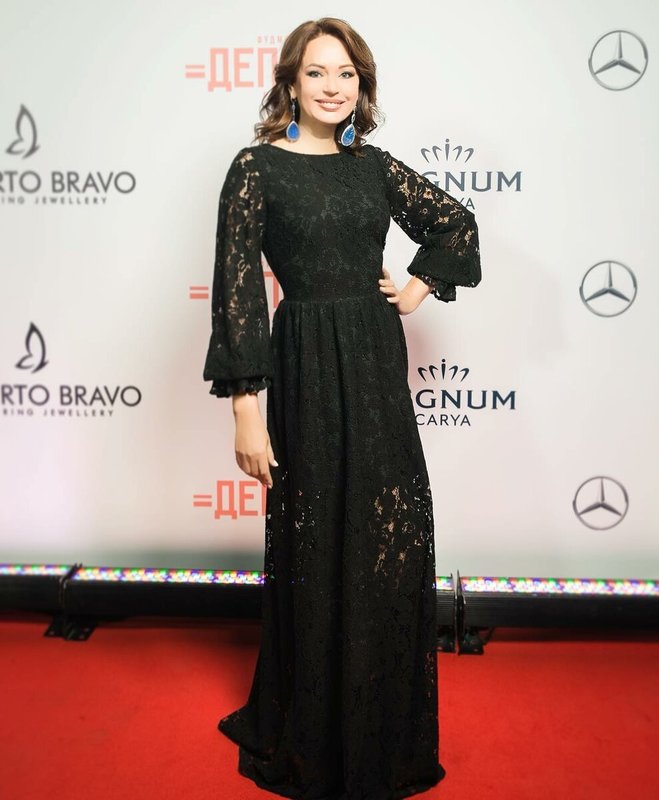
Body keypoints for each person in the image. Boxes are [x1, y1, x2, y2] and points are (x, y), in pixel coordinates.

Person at [202, 16, 481, 799]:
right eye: (317, 72)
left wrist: (419, 284)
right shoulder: (256, 168)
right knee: (317, 537)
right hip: (304, 362)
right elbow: (236, 293)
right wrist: (245, 408)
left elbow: (455, 223)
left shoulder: (372, 166)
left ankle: (380, 719)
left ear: (362, 86)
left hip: (374, 357)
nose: (332, 87)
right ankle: (317, 721)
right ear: (290, 83)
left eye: (347, 74)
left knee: (389, 532)